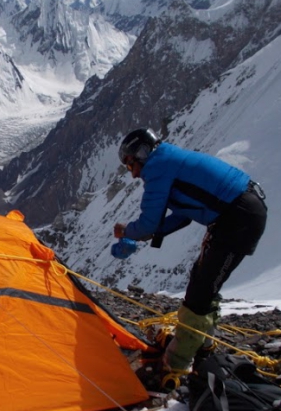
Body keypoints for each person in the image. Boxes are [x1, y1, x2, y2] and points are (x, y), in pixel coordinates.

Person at [113, 128, 267, 390]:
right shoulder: (168, 159)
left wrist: (126, 231)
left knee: (199, 294)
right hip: (240, 213)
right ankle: (204, 348)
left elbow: (150, 222)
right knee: (203, 284)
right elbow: (183, 215)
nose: (133, 172)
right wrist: (146, 234)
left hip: (236, 219)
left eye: (130, 163)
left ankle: (174, 366)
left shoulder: (158, 167)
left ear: (141, 153)